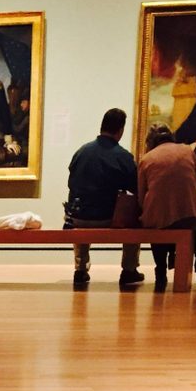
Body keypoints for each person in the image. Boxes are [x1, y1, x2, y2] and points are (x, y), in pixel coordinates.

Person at [64, 108, 144, 290]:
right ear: (120, 130)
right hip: (107, 218)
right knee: (134, 219)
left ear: (102, 126)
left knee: (83, 208)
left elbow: (72, 183)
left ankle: (80, 269)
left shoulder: (81, 152)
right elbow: (136, 188)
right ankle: (129, 270)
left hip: (77, 217)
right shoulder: (122, 156)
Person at [138, 124, 196, 291]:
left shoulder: (146, 159)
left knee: (157, 221)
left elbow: (141, 196)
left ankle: (160, 271)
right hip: (189, 217)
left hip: (159, 218)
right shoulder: (187, 151)